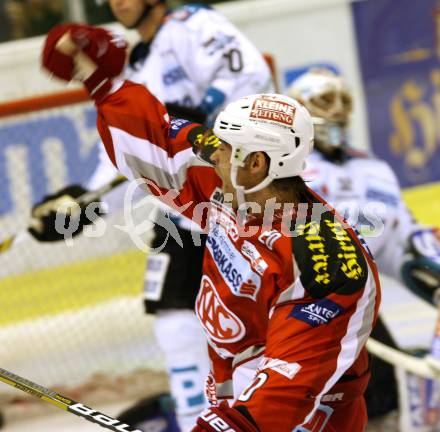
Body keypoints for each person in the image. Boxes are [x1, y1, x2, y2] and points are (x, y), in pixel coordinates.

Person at [41, 23, 381, 431]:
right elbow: (160, 144)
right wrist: (100, 80)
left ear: (258, 164)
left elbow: (285, 395)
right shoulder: (232, 189)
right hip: (235, 400)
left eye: (225, 149)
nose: (211, 154)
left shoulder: (325, 264)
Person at [30, 2, 274, 430]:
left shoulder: (194, 24)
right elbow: (139, 158)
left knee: (260, 325)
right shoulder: (139, 67)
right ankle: (198, 419)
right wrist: (84, 204)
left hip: (233, 194)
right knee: (175, 322)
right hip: (182, 210)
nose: (120, 2)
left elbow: (250, 73)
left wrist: (202, 117)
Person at [287, 69, 440, 426]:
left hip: (358, 293)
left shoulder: (373, 167)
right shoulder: (289, 167)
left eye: (344, 101)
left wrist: (428, 253)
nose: (338, 110)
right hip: (309, 297)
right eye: (325, 100)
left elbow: (398, 235)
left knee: (383, 387)